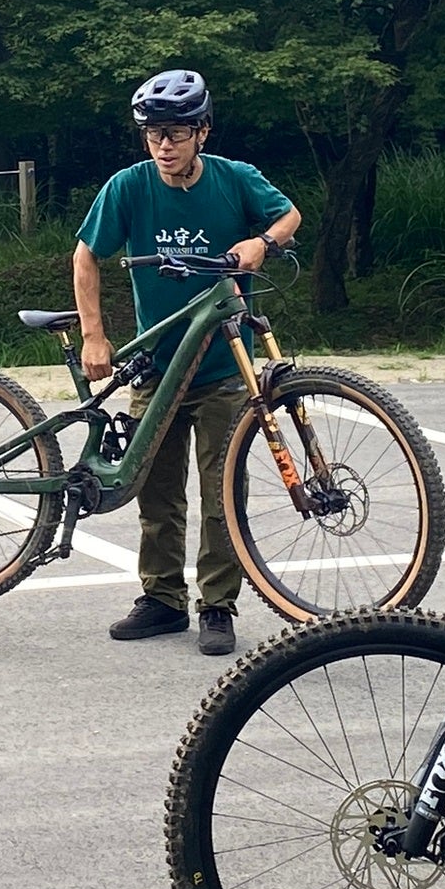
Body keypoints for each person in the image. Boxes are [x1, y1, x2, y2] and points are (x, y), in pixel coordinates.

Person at [71, 69, 303, 658]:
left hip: (227, 369)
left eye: (176, 133)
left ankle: (218, 606)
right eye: (154, 135)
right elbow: (86, 255)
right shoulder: (128, 187)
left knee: (223, 491)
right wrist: (95, 337)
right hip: (158, 365)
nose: (165, 146)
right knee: (157, 491)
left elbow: (289, 216)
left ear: (202, 131)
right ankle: (162, 599)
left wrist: (263, 244)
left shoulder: (235, 179)